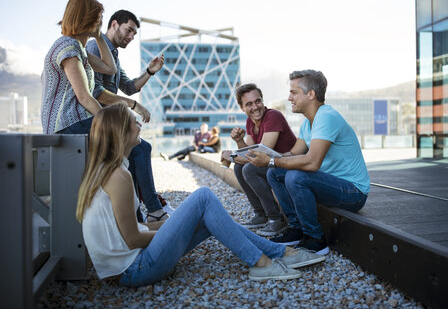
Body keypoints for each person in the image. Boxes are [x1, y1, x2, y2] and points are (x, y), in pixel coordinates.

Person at [76, 103, 327, 286]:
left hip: (130, 265)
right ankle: (263, 262)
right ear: (120, 131)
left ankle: (280, 253)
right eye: (133, 120)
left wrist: (179, 223)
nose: (139, 123)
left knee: (210, 217)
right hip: (134, 269)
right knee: (204, 197)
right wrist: (177, 225)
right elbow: (132, 239)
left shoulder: (109, 170)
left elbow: (134, 228)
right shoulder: (118, 177)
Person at [246, 70, 370, 255]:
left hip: (354, 192)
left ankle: (315, 239)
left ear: (311, 94)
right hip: (330, 183)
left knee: (296, 176)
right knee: (274, 173)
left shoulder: (326, 116)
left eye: (294, 92)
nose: (289, 98)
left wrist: (271, 160)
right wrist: (267, 158)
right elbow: (293, 154)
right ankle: (296, 229)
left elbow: (312, 163)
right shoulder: (308, 123)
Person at [86, 10, 172, 223]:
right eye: (129, 30)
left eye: (134, 33)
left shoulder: (112, 53)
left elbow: (129, 86)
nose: (132, 37)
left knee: (138, 149)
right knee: (140, 148)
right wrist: (134, 105)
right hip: (93, 123)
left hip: (107, 123)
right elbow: (95, 92)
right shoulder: (95, 47)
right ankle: (153, 210)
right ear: (114, 24)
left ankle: (139, 215)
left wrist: (150, 72)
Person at [221, 83, 297, 237]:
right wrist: (239, 141)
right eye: (249, 104)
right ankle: (261, 214)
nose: (255, 107)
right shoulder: (250, 122)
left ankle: (276, 219)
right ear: (242, 108)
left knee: (249, 169)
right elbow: (248, 150)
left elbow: (259, 157)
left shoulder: (273, 116)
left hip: (288, 164)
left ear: (262, 101)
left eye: (258, 101)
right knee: (239, 168)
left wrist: (233, 156)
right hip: (271, 165)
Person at [41, 0, 117, 135]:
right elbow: (84, 97)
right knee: (134, 142)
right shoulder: (68, 47)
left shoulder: (77, 49)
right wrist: (110, 125)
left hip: (76, 121)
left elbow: (110, 68)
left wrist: (99, 37)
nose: (100, 22)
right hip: (68, 124)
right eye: (98, 17)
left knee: (132, 139)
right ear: (87, 18)